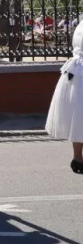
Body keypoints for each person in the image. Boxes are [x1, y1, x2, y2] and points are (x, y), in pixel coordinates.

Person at [45, 15, 83, 175]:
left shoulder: (81, 24)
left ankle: (77, 158)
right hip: (78, 72)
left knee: (78, 118)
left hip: (76, 72)